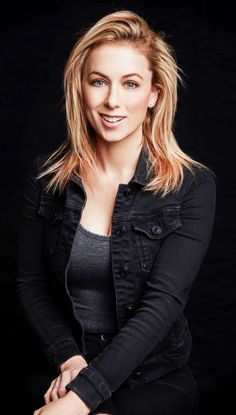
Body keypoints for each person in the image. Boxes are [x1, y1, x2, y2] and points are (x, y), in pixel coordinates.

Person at [17, 9, 217, 415]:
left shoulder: (191, 186)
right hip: (65, 367)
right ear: (82, 88)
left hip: (152, 378)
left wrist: (82, 400)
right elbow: (31, 283)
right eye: (99, 82)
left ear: (155, 94)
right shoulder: (45, 178)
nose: (112, 100)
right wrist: (70, 361)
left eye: (130, 84)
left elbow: (162, 304)